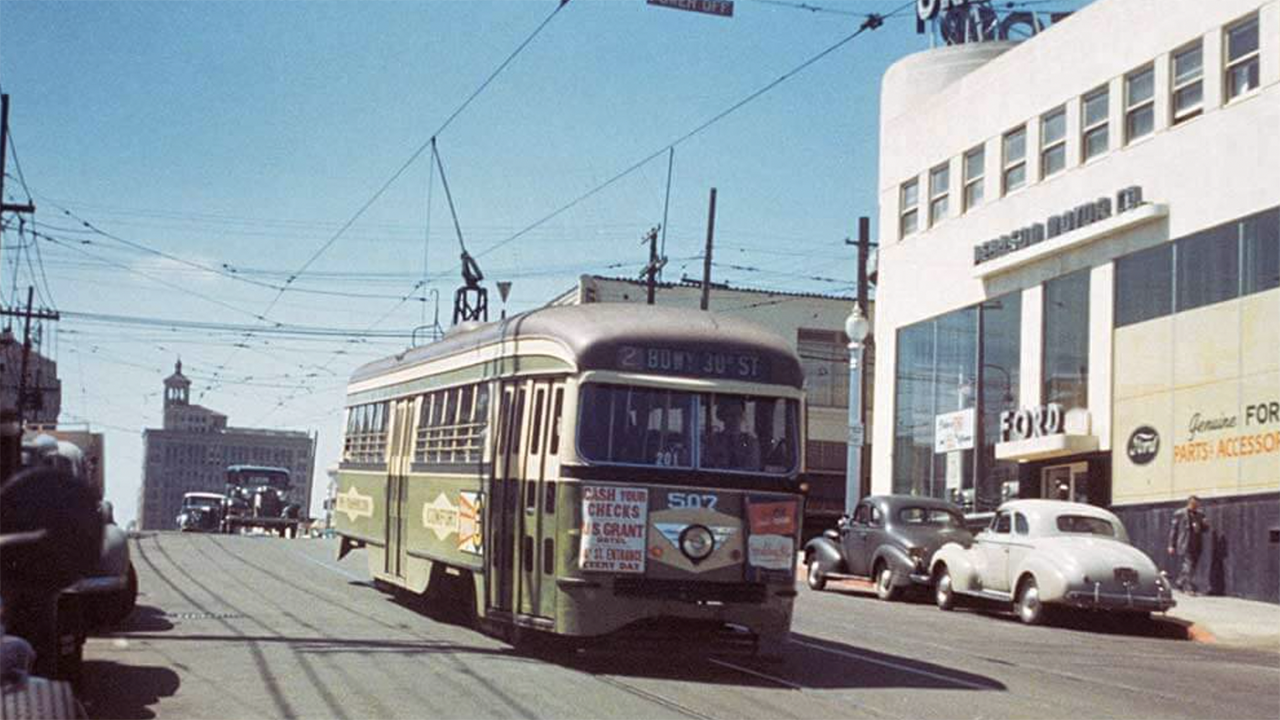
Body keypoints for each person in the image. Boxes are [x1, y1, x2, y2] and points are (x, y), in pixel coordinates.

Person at [1168, 495, 1210, 595]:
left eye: (1197, 505)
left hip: (1197, 543)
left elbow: (1205, 530)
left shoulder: (1200, 514)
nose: (1196, 507)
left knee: (1193, 565)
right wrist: (1171, 545)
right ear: (1189, 503)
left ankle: (1180, 582)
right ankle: (1188, 588)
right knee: (1188, 565)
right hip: (1185, 543)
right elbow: (1174, 530)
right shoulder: (1180, 513)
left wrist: (1205, 524)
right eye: (1194, 504)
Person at [705, 396, 761, 471]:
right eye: (730, 415)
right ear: (722, 416)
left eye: (738, 413)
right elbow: (708, 466)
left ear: (742, 416)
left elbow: (753, 468)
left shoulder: (750, 442)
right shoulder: (713, 442)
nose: (735, 419)